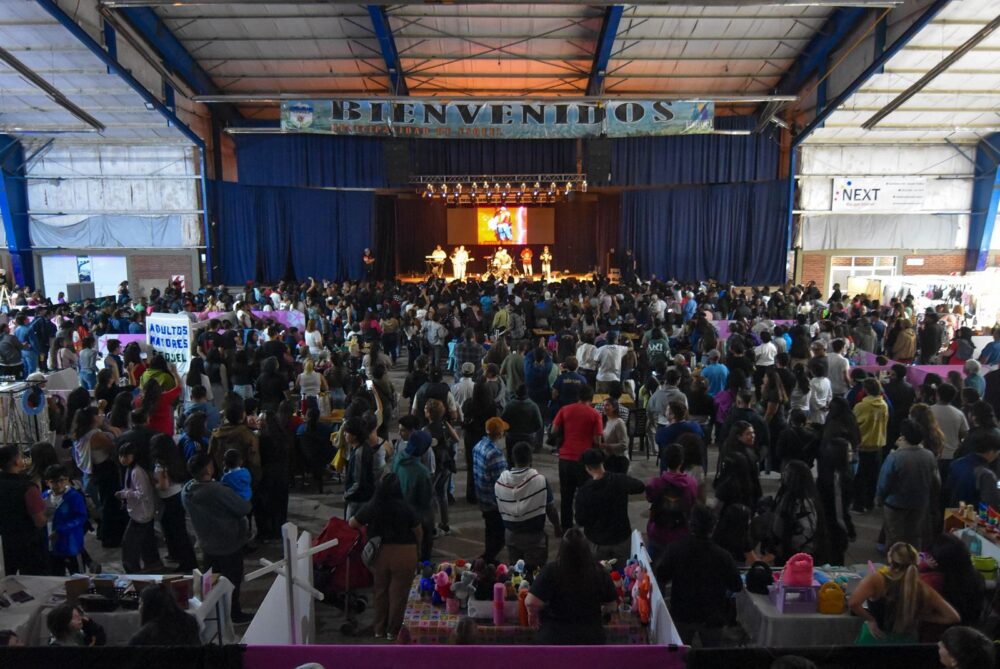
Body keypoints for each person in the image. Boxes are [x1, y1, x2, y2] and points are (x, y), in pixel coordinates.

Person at [655, 504, 743, 647]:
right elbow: (737, 585)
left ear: (690, 524)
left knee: (681, 654)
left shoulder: (675, 549)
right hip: (712, 616)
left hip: (682, 613)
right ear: (713, 527)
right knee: (711, 655)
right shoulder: (723, 556)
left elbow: (661, 576)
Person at [182, 452, 253, 623]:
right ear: (208, 469)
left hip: (206, 542)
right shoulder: (217, 490)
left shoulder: (186, 491)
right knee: (232, 579)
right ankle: (234, 613)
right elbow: (243, 508)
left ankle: (214, 612)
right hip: (228, 542)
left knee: (211, 581)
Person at [349, 474, 421, 641]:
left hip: (380, 553)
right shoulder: (406, 507)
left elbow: (353, 523)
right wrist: (418, 549)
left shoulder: (373, 505)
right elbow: (418, 531)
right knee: (399, 594)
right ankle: (393, 631)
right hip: (405, 553)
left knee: (380, 591)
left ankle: (379, 629)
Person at [849, 542, 959, 644]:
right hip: (905, 642)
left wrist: (870, 619)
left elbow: (853, 603)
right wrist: (921, 616)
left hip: (875, 637)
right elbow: (952, 617)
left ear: (890, 558)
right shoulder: (921, 586)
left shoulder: (876, 579)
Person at [524, 527, 618, 645]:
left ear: (562, 549)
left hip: (554, 638)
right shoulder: (600, 571)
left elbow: (531, 602)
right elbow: (612, 605)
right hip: (590, 638)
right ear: (587, 549)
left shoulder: (551, 570)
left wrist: (532, 613)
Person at [495, 441, 562, 572]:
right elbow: (551, 509)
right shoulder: (540, 481)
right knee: (536, 573)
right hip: (534, 537)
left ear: (512, 458)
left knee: (516, 573)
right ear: (531, 459)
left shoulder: (501, 481)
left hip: (511, 535)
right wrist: (557, 527)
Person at [573, 448, 645, 565]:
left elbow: (580, 520)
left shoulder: (584, 491)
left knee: (598, 572)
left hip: (598, 541)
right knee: (624, 571)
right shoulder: (619, 480)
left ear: (587, 468)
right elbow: (640, 486)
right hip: (621, 537)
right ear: (602, 463)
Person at [877, 419, 940, 551]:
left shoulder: (895, 457)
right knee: (914, 536)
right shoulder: (929, 455)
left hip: (895, 503)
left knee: (894, 538)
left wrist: (880, 499)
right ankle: (913, 560)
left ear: (903, 437)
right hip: (920, 503)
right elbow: (936, 481)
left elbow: (884, 481)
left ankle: (895, 561)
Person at [551, 385, 603, 530]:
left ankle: (566, 528)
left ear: (578, 396)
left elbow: (554, 430)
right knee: (585, 494)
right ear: (591, 398)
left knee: (566, 495)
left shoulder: (565, 409)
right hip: (584, 461)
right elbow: (597, 440)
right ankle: (584, 524)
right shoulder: (595, 414)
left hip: (565, 458)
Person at [150, 434, 198, 571]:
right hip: (177, 495)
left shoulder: (160, 465)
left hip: (169, 499)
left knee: (177, 533)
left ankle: (187, 563)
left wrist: (153, 484)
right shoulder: (175, 459)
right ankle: (182, 558)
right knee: (178, 531)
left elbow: (163, 486)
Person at [765, 460, 828, 565]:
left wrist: (787, 548)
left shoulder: (803, 503)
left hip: (796, 555)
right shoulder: (791, 496)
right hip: (788, 551)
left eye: (787, 473)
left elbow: (806, 531)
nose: (784, 475)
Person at [646, 443, 699, 559]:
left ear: (664, 461)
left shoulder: (655, 483)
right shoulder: (692, 483)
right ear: (682, 461)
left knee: (652, 565)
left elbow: (650, 498)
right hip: (681, 533)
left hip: (658, 533)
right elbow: (692, 503)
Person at [0, 444, 47, 575]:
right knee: (33, 578)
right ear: (16, 461)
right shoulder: (27, 487)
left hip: (7, 540)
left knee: (12, 577)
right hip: (30, 542)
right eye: (21, 456)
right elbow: (39, 521)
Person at [921, 534, 985, 628]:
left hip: (937, 632)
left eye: (928, 557)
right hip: (965, 628)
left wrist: (922, 566)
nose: (925, 558)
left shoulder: (935, 582)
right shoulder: (974, 576)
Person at [116, 441, 161, 573]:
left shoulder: (137, 472)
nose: (123, 459)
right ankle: (153, 563)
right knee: (146, 541)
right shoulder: (131, 469)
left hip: (141, 514)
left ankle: (132, 569)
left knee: (129, 544)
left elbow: (142, 493)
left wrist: (124, 494)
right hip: (140, 512)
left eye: (126, 456)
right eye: (121, 456)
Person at [392, 431, 434, 562]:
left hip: (398, 512)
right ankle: (424, 566)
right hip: (417, 515)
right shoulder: (422, 472)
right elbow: (426, 500)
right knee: (424, 547)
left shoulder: (398, 459)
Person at [472, 416, 509, 563]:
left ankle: (488, 557)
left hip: (482, 496)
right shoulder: (495, 454)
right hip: (494, 501)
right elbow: (502, 481)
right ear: (499, 434)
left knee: (490, 530)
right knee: (500, 536)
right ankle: (486, 559)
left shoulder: (478, 446)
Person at [816, 437, 855, 566]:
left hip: (825, 525)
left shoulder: (826, 471)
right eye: (848, 451)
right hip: (834, 528)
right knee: (835, 561)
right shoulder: (838, 477)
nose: (851, 453)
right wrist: (848, 528)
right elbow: (840, 509)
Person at [853, 378, 889, 512]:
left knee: (860, 478)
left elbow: (854, 425)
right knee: (873, 477)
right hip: (878, 444)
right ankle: (869, 503)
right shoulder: (884, 405)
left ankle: (858, 505)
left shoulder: (861, 406)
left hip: (863, 445)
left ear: (866, 390)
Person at [943, 428, 1000, 508]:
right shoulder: (986, 474)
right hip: (973, 514)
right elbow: (990, 505)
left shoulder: (956, 463)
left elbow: (947, 492)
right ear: (991, 451)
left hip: (953, 512)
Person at [208, 402, 261, 486]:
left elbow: (210, 457)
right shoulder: (248, 435)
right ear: (243, 415)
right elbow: (254, 461)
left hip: (222, 479)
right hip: (243, 480)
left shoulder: (216, 434)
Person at [128, 585, 201, 646]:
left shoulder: (142, 638)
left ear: (148, 607)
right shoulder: (190, 622)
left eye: (140, 603)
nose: (139, 608)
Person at [343, 416, 377, 519]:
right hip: (362, 495)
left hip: (358, 498)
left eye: (347, 432)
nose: (344, 434)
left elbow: (358, 481)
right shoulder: (362, 447)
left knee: (351, 522)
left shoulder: (359, 453)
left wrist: (347, 494)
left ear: (354, 436)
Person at [502, 384, 544, 457]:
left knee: (511, 459)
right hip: (528, 437)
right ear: (527, 393)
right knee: (526, 460)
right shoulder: (533, 406)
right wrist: (531, 431)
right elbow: (539, 424)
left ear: (516, 393)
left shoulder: (509, 405)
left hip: (512, 436)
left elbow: (502, 420)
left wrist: (508, 430)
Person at [601, 396, 630, 473]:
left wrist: (607, 446)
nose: (604, 407)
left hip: (619, 460)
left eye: (607, 405)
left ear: (614, 408)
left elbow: (624, 445)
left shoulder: (619, 423)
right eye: (603, 405)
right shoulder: (607, 421)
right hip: (610, 458)